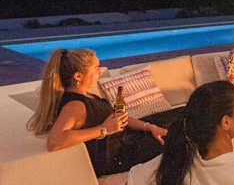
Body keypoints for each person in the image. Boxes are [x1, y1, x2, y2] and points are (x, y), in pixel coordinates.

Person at [27, 49, 170, 176]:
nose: (100, 71)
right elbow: (54, 142)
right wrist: (104, 129)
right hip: (119, 156)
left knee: (175, 117)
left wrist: (149, 127)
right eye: (96, 68)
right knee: (176, 139)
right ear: (78, 76)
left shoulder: (87, 96)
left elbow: (119, 119)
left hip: (127, 140)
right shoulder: (75, 106)